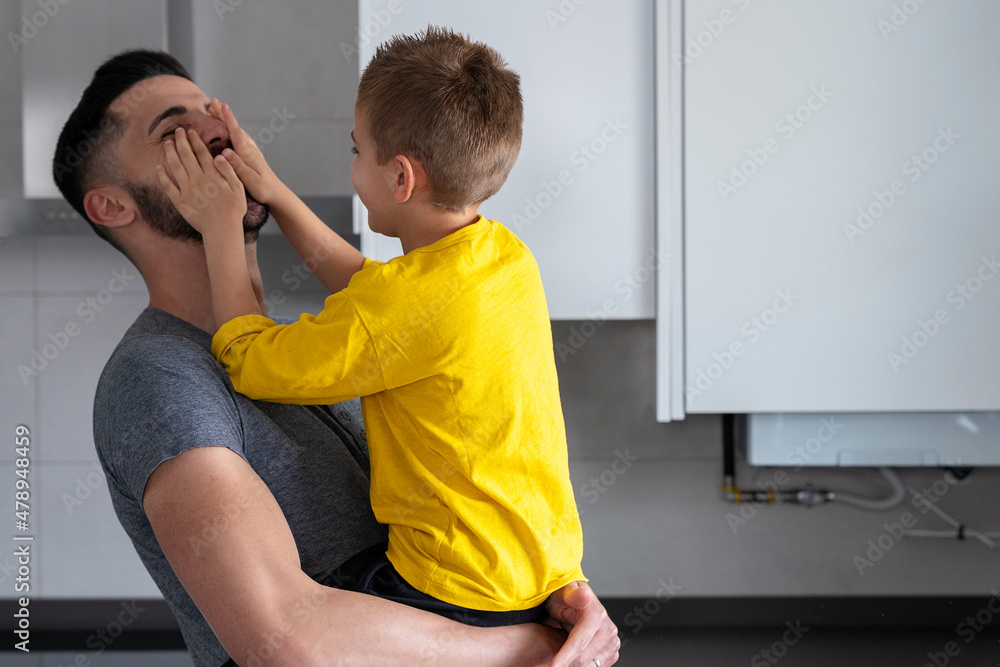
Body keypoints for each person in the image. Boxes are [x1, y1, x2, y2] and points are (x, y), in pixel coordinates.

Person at [52, 49, 620, 667]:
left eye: (210, 112)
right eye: (173, 130)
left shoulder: (349, 334)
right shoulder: (156, 377)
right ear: (111, 206)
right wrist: (525, 644)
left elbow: (471, 465)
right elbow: (286, 641)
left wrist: (550, 587)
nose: (216, 129)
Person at [157, 26, 585, 627]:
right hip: (531, 568)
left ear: (402, 178)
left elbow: (250, 359)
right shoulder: (501, 257)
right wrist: (273, 193)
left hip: (451, 587)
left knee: (301, 624)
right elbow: (371, 287)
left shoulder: (398, 310)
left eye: (357, 151)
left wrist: (220, 227)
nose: (353, 163)